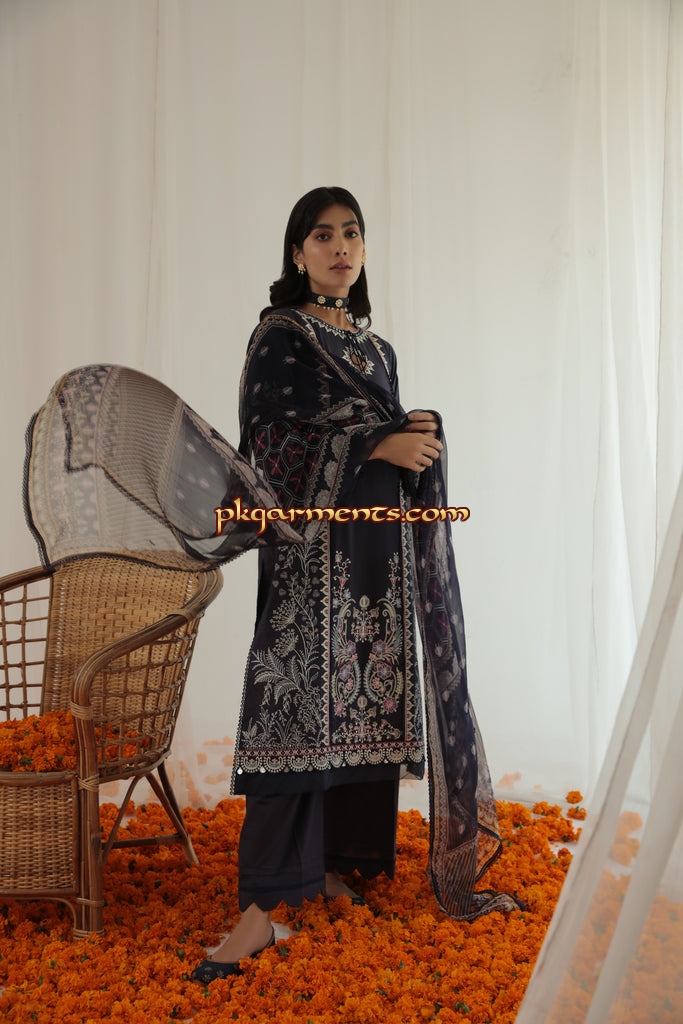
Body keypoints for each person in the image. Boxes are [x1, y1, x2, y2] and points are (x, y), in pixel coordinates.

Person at [191, 187, 512, 984]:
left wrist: (412, 442)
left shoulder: (375, 351)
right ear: (297, 252)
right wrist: (378, 445)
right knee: (296, 707)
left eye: (352, 234)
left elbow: (376, 436)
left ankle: (332, 866)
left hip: (376, 553)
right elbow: (268, 448)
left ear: (364, 250)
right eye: (322, 235)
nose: (339, 248)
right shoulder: (280, 338)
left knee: (364, 702)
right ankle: (262, 908)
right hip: (310, 555)